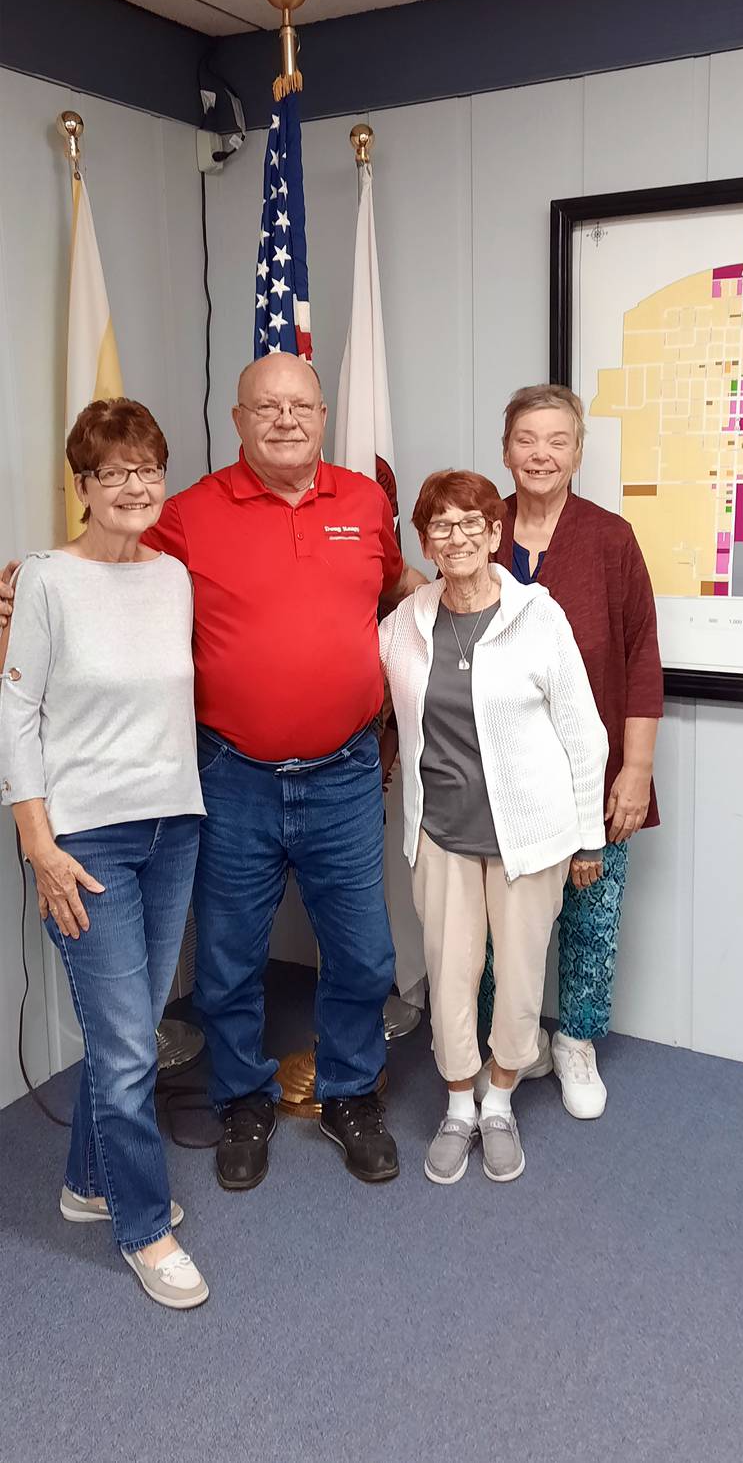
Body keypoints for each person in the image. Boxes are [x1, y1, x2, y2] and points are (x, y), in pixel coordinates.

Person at [140, 352, 425, 1189]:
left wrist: (467, 589)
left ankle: (347, 1094)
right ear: (238, 422)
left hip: (342, 773)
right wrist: (34, 585)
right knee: (228, 959)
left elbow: (394, 586)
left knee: (366, 955)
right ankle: (241, 1101)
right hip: (234, 777)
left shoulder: (366, 500)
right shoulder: (189, 513)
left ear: (324, 414)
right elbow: (115, 573)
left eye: (301, 405)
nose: (286, 420)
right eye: (266, 408)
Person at [0, 399, 208, 1310]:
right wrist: (37, 841)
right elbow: (15, 713)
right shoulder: (45, 579)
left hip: (175, 825)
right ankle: (141, 1227)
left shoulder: (172, 578)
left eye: (146, 469)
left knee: (133, 1026)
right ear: (82, 487)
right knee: (128, 1045)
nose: (133, 486)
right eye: (112, 472)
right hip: (84, 841)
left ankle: (89, 1186)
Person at [379, 470, 608, 1185]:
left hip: (529, 841)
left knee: (517, 978)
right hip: (441, 835)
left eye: (472, 523)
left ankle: (501, 1101)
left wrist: (588, 836)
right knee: (450, 976)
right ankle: (457, 1106)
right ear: (424, 540)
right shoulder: (405, 625)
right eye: (441, 526)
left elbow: (583, 732)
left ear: (495, 533)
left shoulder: (538, 617)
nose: (458, 538)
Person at [487, 384, 663, 1119]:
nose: (541, 454)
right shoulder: (479, 527)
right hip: (505, 776)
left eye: (558, 440)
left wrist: (637, 767)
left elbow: (642, 654)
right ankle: (513, 1042)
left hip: (596, 774)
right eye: (527, 438)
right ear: (506, 449)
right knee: (506, 923)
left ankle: (577, 1043)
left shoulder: (610, 537)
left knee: (591, 917)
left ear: (578, 453)